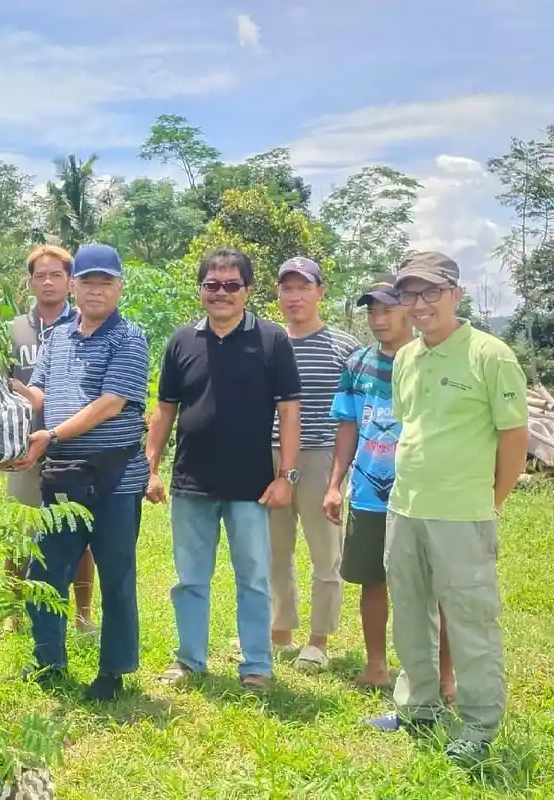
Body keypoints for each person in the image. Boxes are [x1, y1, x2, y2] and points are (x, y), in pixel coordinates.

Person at [366, 252, 528, 766]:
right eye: (409, 294)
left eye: (431, 292)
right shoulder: (407, 358)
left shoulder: (490, 354)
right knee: (410, 615)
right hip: (405, 508)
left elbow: (514, 437)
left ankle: (479, 725)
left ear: (456, 294)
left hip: (463, 515)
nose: (419, 304)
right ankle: (419, 709)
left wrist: (490, 502)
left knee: (470, 622)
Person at [147, 247, 302, 693]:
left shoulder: (272, 340)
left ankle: (256, 666)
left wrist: (285, 475)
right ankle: (189, 660)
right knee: (189, 578)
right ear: (200, 290)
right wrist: (152, 467)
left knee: (253, 578)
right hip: (192, 482)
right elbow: (164, 410)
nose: (221, 293)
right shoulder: (181, 341)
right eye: (212, 285)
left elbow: (290, 411)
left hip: (252, 485)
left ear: (247, 291)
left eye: (232, 285)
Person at [12, 243, 150, 702]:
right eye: (87, 282)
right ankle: (48, 661)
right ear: (75, 286)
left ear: (119, 287)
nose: (95, 290)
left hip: (116, 476)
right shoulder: (59, 337)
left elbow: (111, 404)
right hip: (65, 476)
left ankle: (113, 671)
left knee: (116, 574)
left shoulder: (130, 337)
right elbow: (39, 393)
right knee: (46, 571)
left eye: (105, 282)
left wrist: (52, 436)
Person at [323, 276, 455, 695]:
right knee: (371, 580)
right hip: (368, 493)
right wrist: (334, 483)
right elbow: (347, 427)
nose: (379, 319)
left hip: (425, 493)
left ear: (409, 312)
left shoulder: (433, 361)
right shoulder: (358, 364)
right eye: (372, 311)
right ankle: (376, 665)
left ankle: (445, 675)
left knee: (438, 588)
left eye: (387, 309)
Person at [268, 257, 360, 671]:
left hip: (322, 456)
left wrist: (340, 475)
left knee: (326, 553)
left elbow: (353, 414)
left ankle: (318, 641)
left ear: (320, 292)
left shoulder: (345, 347)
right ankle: (280, 631)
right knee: (274, 549)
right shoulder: (267, 342)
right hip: (269, 454)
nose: (294, 296)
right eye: (287, 288)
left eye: (303, 287)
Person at [5, 245, 95, 633]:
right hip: (23, 445)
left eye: (56, 274)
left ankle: (82, 614)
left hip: (72, 444)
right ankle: (13, 611)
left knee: (78, 531)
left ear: (70, 281)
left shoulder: (86, 324)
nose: (47, 281)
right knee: (19, 528)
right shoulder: (13, 330)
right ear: (30, 281)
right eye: (40, 275)